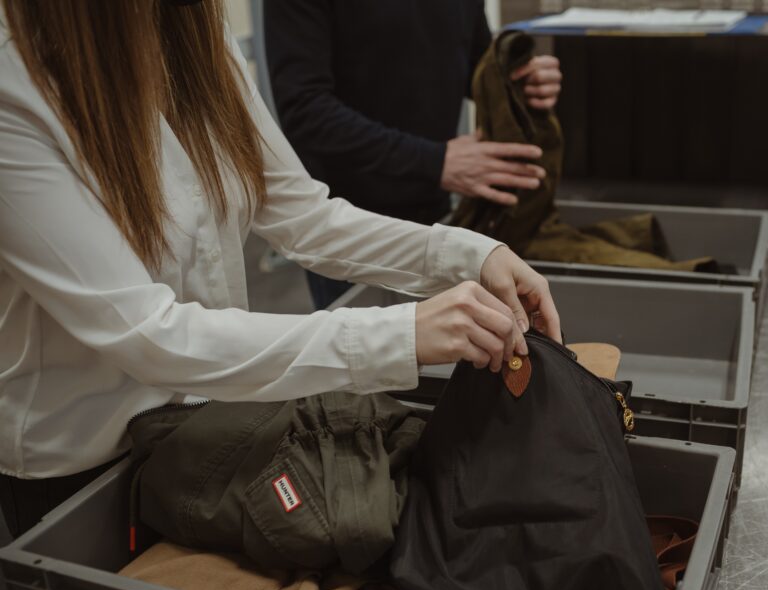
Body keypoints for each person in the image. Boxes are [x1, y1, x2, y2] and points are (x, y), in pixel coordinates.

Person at [0, 0, 560, 539]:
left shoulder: (188, 31)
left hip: (205, 422)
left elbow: (304, 216)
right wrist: (401, 333)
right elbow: (148, 331)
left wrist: (470, 254)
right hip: (84, 462)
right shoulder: (15, 87)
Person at [264, 0, 563, 308]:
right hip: (346, 229)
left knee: (444, 349)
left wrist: (519, 82)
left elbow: (475, 66)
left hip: (435, 215)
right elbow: (305, 110)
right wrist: (436, 161)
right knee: (367, 352)